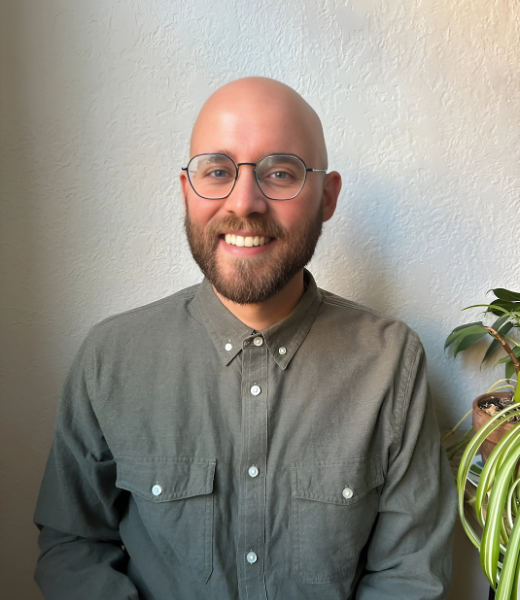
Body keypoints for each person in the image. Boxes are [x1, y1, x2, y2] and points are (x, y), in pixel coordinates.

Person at [34, 77, 456, 600]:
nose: (246, 202)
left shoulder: (392, 362)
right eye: (218, 171)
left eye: (280, 173)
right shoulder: (110, 360)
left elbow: (410, 575)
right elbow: (74, 544)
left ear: (327, 197)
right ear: (187, 193)